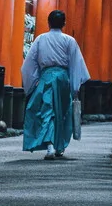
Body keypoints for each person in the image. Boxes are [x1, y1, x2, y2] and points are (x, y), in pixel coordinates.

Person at [21, 9, 90, 160]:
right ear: (64, 23)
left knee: (46, 111)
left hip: (46, 78)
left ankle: (50, 146)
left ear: (48, 22)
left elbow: (28, 64)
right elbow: (75, 64)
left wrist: (32, 83)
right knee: (62, 112)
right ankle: (59, 146)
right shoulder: (69, 41)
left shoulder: (40, 39)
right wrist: (75, 87)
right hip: (63, 79)